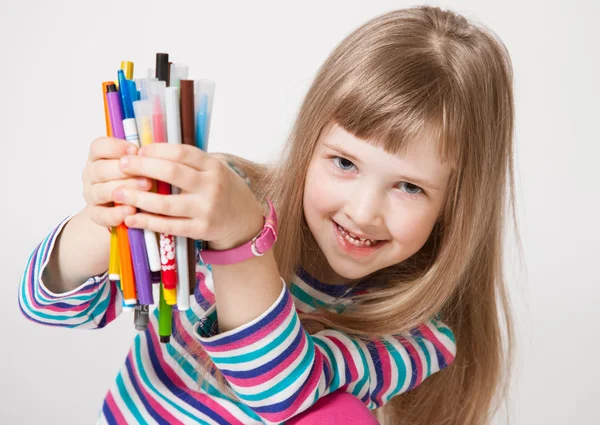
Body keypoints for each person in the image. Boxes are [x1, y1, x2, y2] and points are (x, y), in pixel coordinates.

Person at [18, 5, 516, 425]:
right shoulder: (222, 198)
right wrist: (110, 213)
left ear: (457, 202)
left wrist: (242, 243)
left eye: (408, 187)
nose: (363, 212)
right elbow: (51, 307)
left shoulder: (421, 336)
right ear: (308, 142)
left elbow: (279, 393)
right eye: (344, 163)